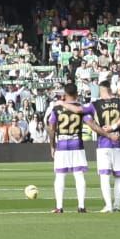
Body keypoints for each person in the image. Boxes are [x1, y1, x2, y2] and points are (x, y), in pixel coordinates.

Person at [88, 79, 120, 212]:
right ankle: (117, 205)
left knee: (104, 175)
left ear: (101, 90)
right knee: (119, 175)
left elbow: (90, 122)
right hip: (118, 141)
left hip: (104, 142)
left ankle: (108, 205)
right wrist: (115, 126)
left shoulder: (95, 104)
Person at [47, 85, 90, 213]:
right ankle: (81, 206)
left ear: (64, 94)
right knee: (79, 174)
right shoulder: (81, 108)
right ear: (76, 94)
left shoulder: (57, 108)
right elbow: (90, 122)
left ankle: (59, 207)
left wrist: (52, 146)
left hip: (62, 143)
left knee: (60, 175)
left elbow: (51, 128)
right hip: (77, 142)